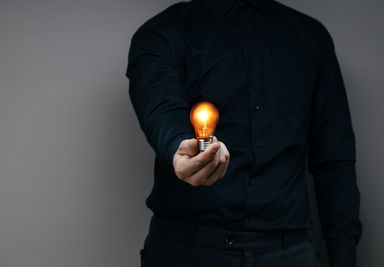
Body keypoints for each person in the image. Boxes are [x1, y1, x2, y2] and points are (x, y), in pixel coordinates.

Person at [125, 0, 363, 266]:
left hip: (287, 253)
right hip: (186, 252)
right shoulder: (163, 33)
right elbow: (160, 107)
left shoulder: (310, 38)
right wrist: (178, 148)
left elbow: (335, 161)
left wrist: (344, 258)